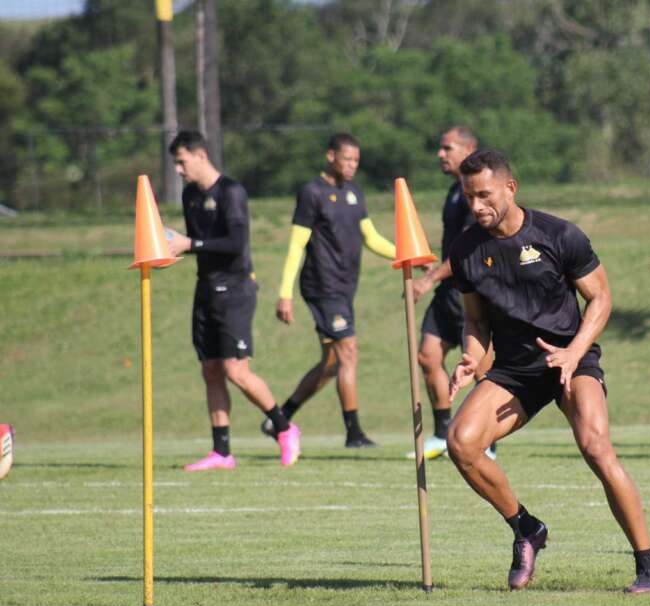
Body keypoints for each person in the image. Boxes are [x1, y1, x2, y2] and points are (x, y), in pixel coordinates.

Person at [446, 149, 650, 593]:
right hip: (515, 371)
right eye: (469, 196)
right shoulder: (466, 250)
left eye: (484, 195)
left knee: (596, 447)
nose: (476, 206)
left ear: (511, 188)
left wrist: (573, 353)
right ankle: (526, 527)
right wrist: (471, 356)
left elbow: (601, 299)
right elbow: (476, 320)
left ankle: (649, 567)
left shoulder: (559, 235)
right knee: (461, 443)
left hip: (571, 359)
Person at [165, 131, 301, 471]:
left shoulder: (231, 192)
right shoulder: (189, 196)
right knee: (211, 370)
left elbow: (235, 242)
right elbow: (196, 242)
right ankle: (222, 452)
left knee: (235, 370)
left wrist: (189, 245)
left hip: (236, 288)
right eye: (175, 164)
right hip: (205, 287)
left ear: (200, 155)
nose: (179, 170)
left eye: (181, 162)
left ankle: (284, 428)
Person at [266, 133, 398, 448]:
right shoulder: (311, 192)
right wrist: (284, 293)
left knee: (332, 364)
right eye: (347, 159)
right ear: (331, 157)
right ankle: (354, 433)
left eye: (356, 161)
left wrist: (408, 255)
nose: (352, 165)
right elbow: (297, 245)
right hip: (322, 287)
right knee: (348, 353)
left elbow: (372, 237)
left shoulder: (354, 192)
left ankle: (280, 419)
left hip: (345, 287)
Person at [408, 126, 494, 460]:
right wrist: (428, 266)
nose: (440, 154)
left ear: (469, 149)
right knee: (427, 356)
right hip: (448, 289)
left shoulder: (480, 196)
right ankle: (443, 434)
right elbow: (451, 250)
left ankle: (487, 440)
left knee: (480, 366)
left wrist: (428, 279)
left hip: (473, 289)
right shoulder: (453, 193)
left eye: (448, 148)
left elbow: (466, 251)